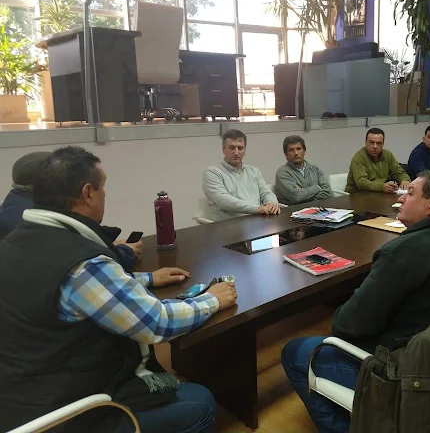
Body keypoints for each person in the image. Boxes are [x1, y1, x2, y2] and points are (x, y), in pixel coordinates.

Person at [0, 146, 238, 433]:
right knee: (199, 402)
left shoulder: (18, 241)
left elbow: (75, 289)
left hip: (21, 391)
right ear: (88, 193)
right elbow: (157, 322)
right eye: (103, 188)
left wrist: (147, 278)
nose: (105, 195)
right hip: (65, 411)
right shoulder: (82, 264)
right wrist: (212, 300)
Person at [281, 170, 430, 433]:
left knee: (295, 351)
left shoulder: (402, 252)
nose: (400, 199)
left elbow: (346, 326)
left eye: (410, 193)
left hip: (399, 370)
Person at [0, 151, 141, 272]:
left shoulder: (13, 207)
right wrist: (123, 252)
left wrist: (106, 247)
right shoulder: (32, 223)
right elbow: (73, 264)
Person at [203, 129, 280, 221]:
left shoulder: (254, 171)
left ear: (245, 150)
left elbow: (266, 192)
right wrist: (257, 209)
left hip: (258, 220)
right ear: (223, 150)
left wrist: (272, 203)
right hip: (230, 225)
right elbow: (224, 201)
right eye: (232, 148)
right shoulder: (212, 173)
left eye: (240, 148)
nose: (236, 152)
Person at [345, 128, 410, 194]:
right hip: (357, 194)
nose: (375, 146)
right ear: (365, 142)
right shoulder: (359, 157)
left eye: (379, 143)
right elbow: (361, 183)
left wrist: (405, 180)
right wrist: (382, 187)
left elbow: (398, 172)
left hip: (378, 193)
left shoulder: (387, 155)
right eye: (371, 142)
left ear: (383, 144)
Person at [274, 135, 333, 205]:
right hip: (294, 210)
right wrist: (318, 187)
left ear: (304, 151)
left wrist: (304, 195)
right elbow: (296, 196)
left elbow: (328, 192)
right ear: (286, 155)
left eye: (298, 149)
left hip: (319, 208)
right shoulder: (282, 172)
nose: (296, 153)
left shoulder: (315, 169)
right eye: (291, 150)